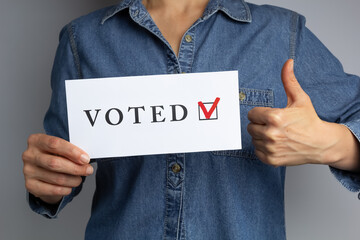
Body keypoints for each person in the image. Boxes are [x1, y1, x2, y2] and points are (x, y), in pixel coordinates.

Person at [22, 0, 360, 239]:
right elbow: (60, 169)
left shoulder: (280, 33)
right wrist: (49, 185)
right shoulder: (81, 40)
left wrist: (333, 143)